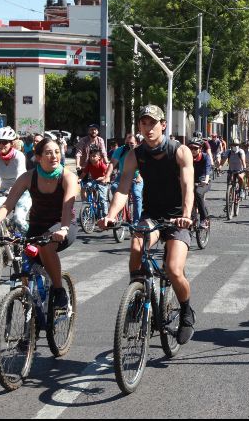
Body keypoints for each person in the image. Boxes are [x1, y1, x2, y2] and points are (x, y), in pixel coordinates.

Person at [99, 104, 196, 345]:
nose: (148, 127)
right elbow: (123, 188)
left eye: (153, 123)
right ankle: (138, 295)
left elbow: (187, 186)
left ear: (163, 124)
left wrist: (185, 213)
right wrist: (111, 214)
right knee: (135, 249)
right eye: (144, 123)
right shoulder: (135, 154)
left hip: (176, 218)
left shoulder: (179, 151)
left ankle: (186, 311)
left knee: (174, 269)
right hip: (152, 215)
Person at [0, 137, 78, 314]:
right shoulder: (28, 177)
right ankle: (30, 318)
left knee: (46, 248)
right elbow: (7, 205)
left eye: (56, 152)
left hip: (62, 224)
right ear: (38, 157)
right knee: (26, 267)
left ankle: (59, 290)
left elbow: (67, 207)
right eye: (48, 153)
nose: (54, 156)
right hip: (37, 225)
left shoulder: (68, 177)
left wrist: (63, 229)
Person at [104, 133, 143, 223]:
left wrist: (139, 176)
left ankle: (137, 221)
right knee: (113, 187)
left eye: (132, 143)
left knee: (136, 194)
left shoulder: (140, 151)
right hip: (123, 175)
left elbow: (144, 166)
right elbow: (112, 163)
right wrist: (107, 176)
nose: (129, 145)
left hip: (137, 175)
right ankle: (120, 209)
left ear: (137, 143)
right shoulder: (120, 150)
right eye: (128, 143)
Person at [188, 138, 212, 228]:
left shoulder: (205, 157)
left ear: (200, 149)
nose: (193, 150)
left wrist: (205, 180)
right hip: (191, 181)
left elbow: (207, 170)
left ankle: (203, 219)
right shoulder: (187, 158)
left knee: (198, 192)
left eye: (195, 148)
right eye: (191, 148)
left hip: (203, 182)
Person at [79, 147, 110, 216]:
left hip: (103, 183)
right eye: (90, 156)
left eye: (94, 156)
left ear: (99, 157)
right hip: (94, 181)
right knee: (85, 186)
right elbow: (83, 174)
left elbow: (108, 176)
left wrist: (102, 178)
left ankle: (106, 215)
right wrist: (79, 179)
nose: (92, 158)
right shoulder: (89, 165)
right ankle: (87, 203)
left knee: (102, 199)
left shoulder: (102, 166)